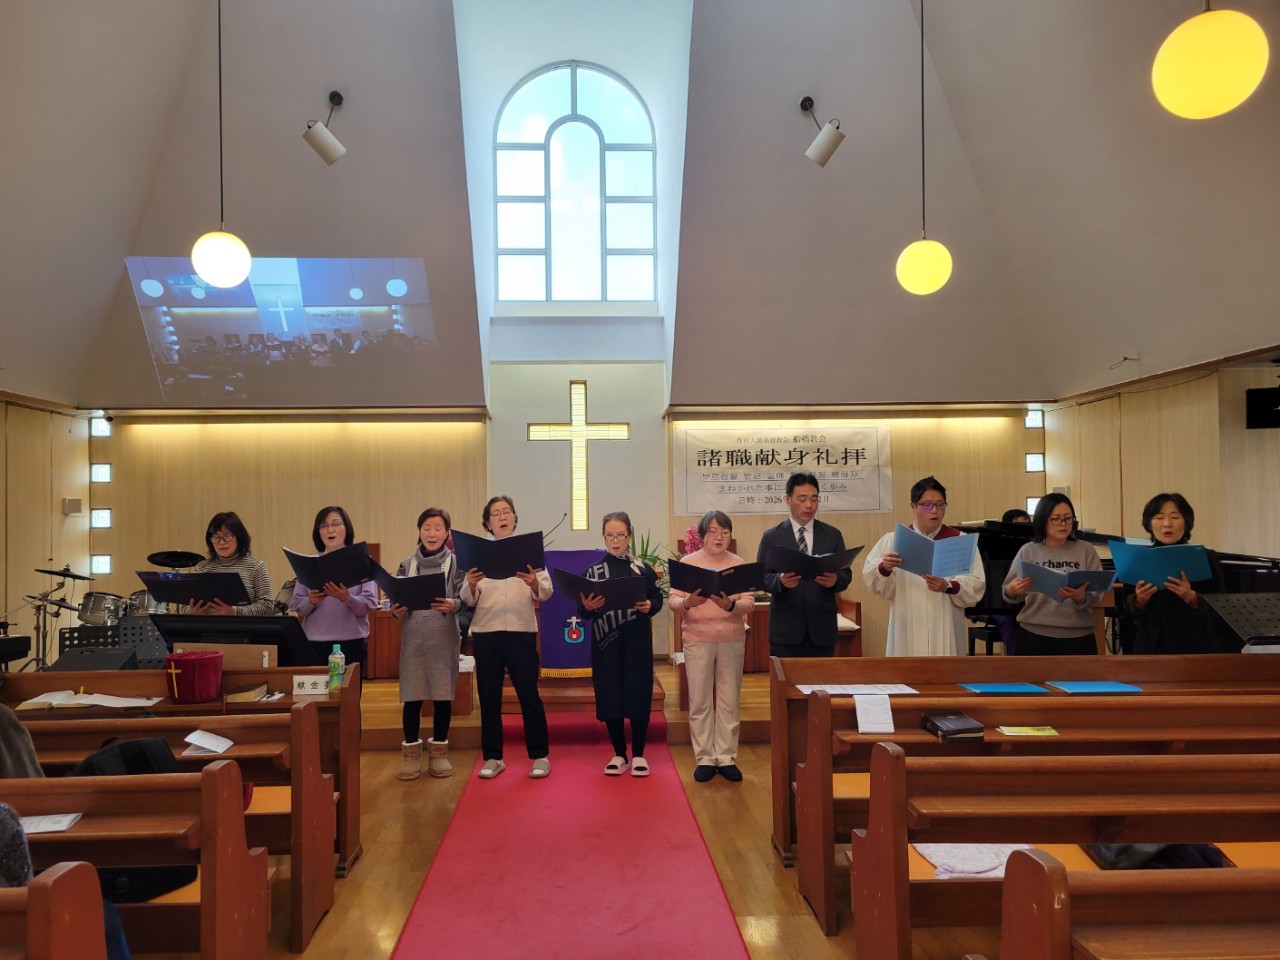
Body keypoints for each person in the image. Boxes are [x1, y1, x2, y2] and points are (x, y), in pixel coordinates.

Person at [459, 496, 552, 780]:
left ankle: (540, 756)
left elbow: (546, 591)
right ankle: (493, 757)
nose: (502, 517)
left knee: (529, 695)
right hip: (486, 633)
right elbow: (467, 598)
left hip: (521, 632)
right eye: (496, 513)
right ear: (488, 523)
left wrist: (534, 583)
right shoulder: (478, 554)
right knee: (489, 698)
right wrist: (471, 585)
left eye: (507, 512)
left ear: (514, 518)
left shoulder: (528, 552)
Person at [668, 509, 754, 783]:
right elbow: (673, 600)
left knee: (729, 700)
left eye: (725, 532)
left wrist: (730, 605)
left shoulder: (738, 563)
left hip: (731, 638)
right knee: (700, 699)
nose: (719, 537)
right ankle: (705, 757)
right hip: (697, 639)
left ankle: (726, 757)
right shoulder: (688, 563)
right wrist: (687, 603)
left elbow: (749, 602)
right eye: (713, 532)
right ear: (702, 536)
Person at [578, 511, 665, 778]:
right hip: (607, 644)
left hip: (636, 643)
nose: (615, 541)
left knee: (638, 694)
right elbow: (582, 610)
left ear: (629, 536)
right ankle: (619, 754)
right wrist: (587, 606)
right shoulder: (593, 571)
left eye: (620, 535)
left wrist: (650, 605)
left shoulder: (642, 568)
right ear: (603, 537)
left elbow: (657, 597)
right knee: (610, 695)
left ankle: (638, 754)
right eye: (610, 536)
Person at [864, 476, 987, 656]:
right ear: (913, 506)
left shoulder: (960, 541)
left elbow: (976, 583)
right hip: (907, 621)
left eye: (940, 504)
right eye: (927, 505)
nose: (935, 511)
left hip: (945, 621)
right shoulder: (894, 540)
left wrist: (948, 586)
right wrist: (885, 568)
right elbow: (873, 581)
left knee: (945, 669)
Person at [391, 508, 468, 780]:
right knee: (412, 699)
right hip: (414, 642)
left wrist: (454, 604)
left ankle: (439, 755)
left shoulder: (457, 564)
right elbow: (395, 601)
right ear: (419, 531)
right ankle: (411, 757)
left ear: (447, 533)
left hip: (443, 641)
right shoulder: (406, 565)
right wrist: (396, 610)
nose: (431, 533)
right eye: (426, 528)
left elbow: (466, 599)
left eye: (437, 528)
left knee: (442, 698)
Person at [1122, 492, 1234, 654]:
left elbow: (1221, 606)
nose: (1167, 524)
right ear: (1149, 524)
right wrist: (1139, 600)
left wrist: (1192, 597)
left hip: (1195, 645)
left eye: (1175, 517)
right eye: (1159, 518)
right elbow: (1125, 607)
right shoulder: (1137, 559)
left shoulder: (1204, 556)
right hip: (1151, 645)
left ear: (1186, 522)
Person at [757, 473, 853, 657]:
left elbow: (846, 574)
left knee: (821, 676)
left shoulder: (832, 535)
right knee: (785, 676)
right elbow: (762, 577)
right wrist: (780, 581)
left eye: (814, 499)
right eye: (802, 499)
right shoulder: (772, 536)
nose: (809, 505)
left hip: (822, 628)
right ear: (788, 499)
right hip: (785, 629)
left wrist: (835, 580)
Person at [1001, 493, 1105, 655]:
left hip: (1078, 635)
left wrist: (1081, 597)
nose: (1063, 524)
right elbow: (1008, 591)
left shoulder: (1086, 549)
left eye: (1068, 518)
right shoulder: (1029, 550)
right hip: (1034, 634)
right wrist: (1012, 590)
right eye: (1056, 519)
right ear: (1043, 520)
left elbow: (1097, 593)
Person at [288, 506, 379, 674]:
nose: (330, 530)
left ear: (347, 528)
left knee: (347, 690)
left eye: (336, 524)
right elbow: (297, 606)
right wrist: (311, 601)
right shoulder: (309, 564)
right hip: (314, 643)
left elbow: (369, 605)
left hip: (351, 642)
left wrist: (347, 598)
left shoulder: (362, 561)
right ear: (318, 532)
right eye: (324, 525)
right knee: (318, 690)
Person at [189, 511, 276, 616]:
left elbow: (268, 606)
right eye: (216, 537)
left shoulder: (256, 566)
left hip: (243, 626)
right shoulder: (201, 567)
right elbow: (186, 605)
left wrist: (235, 611)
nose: (221, 542)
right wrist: (192, 612)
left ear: (239, 537)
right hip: (207, 625)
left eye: (227, 536)